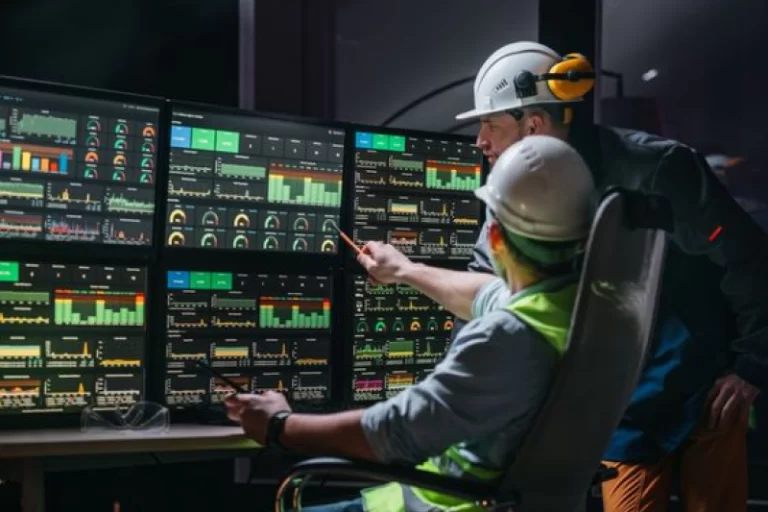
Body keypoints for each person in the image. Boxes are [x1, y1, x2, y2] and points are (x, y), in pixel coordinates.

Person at [444, 41, 767, 511]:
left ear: (533, 124)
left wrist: (751, 366)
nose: (480, 141)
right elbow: (483, 282)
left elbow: (749, 256)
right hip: (624, 403)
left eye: (489, 124)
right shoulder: (511, 191)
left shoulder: (658, 170)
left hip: (709, 385)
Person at [224, 135, 598, 512]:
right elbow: (483, 293)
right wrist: (404, 270)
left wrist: (278, 424)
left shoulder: (507, 337)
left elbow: (392, 434)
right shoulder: (580, 310)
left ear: (495, 237)